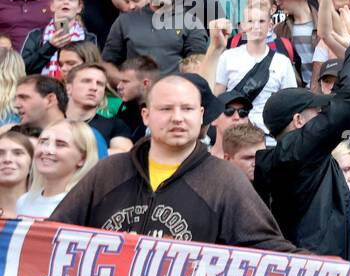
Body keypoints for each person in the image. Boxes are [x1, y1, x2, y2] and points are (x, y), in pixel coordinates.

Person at [51, 73, 293, 247]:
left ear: (200, 116)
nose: (177, 118)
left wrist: (328, 274)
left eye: (187, 109)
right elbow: (51, 236)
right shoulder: (108, 172)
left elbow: (269, 251)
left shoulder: (225, 180)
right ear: (146, 116)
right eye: (166, 109)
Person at [254, 0, 350, 269]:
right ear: (298, 120)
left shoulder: (302, 153)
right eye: (316, 112)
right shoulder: (294, 151)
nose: (324, 117)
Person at [15, 120, 98, 219]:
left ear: (82, 158)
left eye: (60, 144)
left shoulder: (86, 206)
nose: (47, 150)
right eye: (43, 142)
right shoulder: (24, 201)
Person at [0, 130, 34, 217]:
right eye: (0, 153)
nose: (8, 159)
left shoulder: (50, 210)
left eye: (18, 153)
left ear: (31, 164)